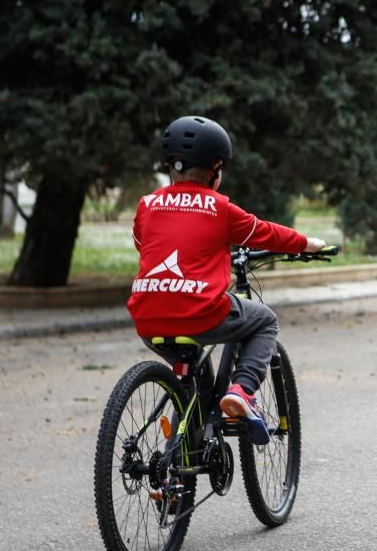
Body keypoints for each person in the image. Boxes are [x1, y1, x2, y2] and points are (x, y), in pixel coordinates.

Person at [127, 116, 326, 444]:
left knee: (197, 388)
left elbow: (143, 243)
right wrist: (308, 244)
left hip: (148, 318)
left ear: (170, 168)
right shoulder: (219, 208)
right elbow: (265, 233)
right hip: (201, 313)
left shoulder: (147, 205)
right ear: (215, 168)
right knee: (265, 322)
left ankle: (176, 472)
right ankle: (242, 390)